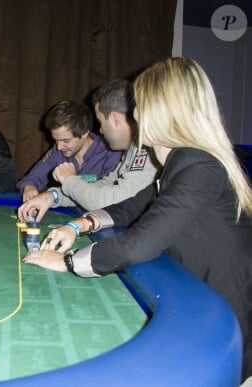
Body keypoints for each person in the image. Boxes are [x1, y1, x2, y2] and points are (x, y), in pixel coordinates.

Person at [23, 57, 252, 381]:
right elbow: (131, 207)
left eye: (140, 103)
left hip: (231, 330)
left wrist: (68, 262)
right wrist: (78, 225)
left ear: (160, 109)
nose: (134, 113)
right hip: (207, 305)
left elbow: (138, 244)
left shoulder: (200, 167)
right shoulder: (181, 161)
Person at [17, 79, 159, 221]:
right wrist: (53, 196)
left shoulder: (146, 148)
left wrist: (68, 179)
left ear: (115, 118)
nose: (101, 130)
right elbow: (104, 186)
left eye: (101, 122)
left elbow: (112, 202)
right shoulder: (134, 148)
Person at [17, 100, 121, 202]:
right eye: (56, 140)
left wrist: (70, 181)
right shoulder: (58, 152)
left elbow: (107, 198)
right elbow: (32, 177)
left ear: (85, 132)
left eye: (66, 140)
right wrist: (29, 187)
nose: (59, 147)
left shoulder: (111, 152)